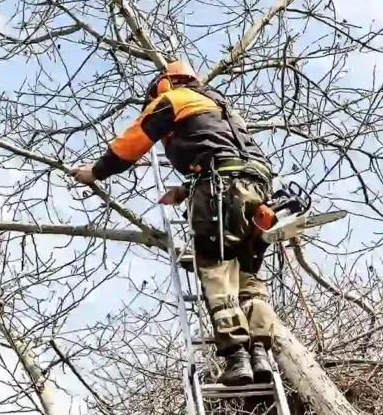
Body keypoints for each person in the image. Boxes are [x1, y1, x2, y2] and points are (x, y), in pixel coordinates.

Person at [69, 60, 280, 386]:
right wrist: (184, 191)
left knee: (215, 267)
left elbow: (132, 142)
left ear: (166, 83)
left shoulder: (173, 99)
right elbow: (227, 157)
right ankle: (261, 354)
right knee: (247, 274)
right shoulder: (221, 108)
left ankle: (237, 355)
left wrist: (94, 172)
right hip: (258, 188)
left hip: (220, 189)